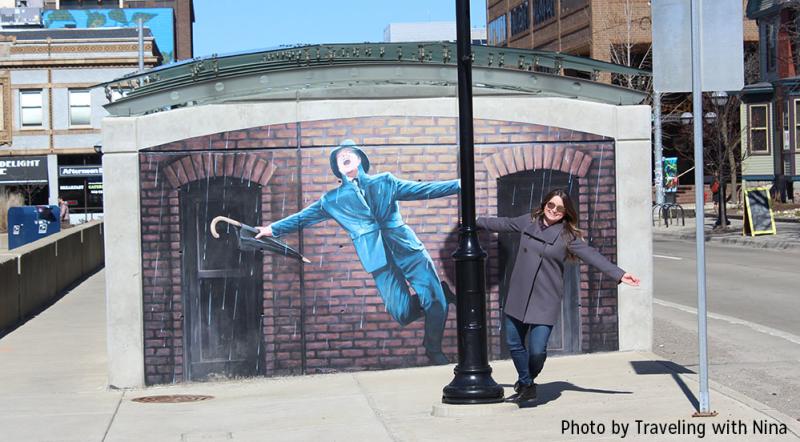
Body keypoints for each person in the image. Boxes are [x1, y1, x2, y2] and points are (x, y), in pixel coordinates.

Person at [256, 139, 460, 365]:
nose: (343, 155)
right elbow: (303, 218)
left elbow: (425, 190)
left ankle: (433, 349)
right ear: (337, 166)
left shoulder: (386, 182)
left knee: (434, 302)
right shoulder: (332, 200)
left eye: (348, 152)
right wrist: (271, 229)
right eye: (338, 155)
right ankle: (441, 293)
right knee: (401, 312)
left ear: (359, 158)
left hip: (407, 249)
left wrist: (461, 184)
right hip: (377, 260)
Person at [477, 189, 640, 404]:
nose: (554, 210)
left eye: (560, 208)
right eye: (551, 205)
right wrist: (474, 220)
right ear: (544, 204)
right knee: (514, 342)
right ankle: (526, 384)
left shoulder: (567, 236)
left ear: (565, 213)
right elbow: (504, 223)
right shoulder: (528, 221)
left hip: (545, 298)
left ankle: (528, 379)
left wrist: (619, 274)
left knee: (537, 351)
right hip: (518, 293)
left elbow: (592, 256)